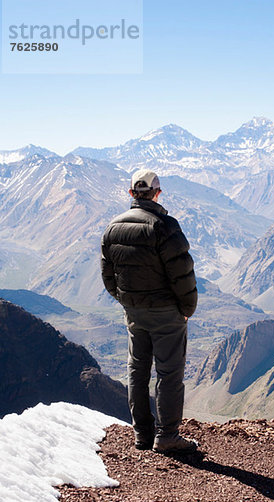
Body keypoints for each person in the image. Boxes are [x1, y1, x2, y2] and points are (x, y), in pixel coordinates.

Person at [101, 168, 198, 453]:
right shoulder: (165, 227)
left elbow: (108, 277)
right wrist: (186, 309)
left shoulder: (113, 228)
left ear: (132, 194)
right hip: (167, 313)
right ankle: (167, 435)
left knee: (137, 369)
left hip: (133, 312)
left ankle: (142, 435)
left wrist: (126, 300)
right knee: (169, 374)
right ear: (157, 193)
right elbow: (183, 274)